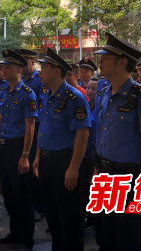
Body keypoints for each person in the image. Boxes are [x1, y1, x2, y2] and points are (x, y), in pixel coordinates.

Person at [94, 32, 141, 250]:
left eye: (105, 57)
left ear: (122, 62)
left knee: (130, 238)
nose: (100, 61)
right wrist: (97, 173)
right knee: (106, 236)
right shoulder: (105, 91)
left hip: (129, 179)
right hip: (105, 175)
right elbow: (102, 136)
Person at [33, 47, 91, 250]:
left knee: (70, 218)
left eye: (44, 68)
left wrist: (74, 168)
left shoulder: (75, 98)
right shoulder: (48, 96)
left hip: (65, 163)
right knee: (53, 216)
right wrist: (39, 156)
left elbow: (82, 134)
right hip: (47, 162)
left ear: (57, 71)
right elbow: (44, 130)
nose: (41, 72)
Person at [0, 49, 38, 251]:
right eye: (3, 67)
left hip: (19, 148)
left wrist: (26, 155)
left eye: (8, 67)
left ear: (19, 69)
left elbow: (30, 127)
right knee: (9, 195)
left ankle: (26, 240)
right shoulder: (3, 91)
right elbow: (0, 119)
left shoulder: (28, 94)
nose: (3, 70)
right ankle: (15, 231)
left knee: (22, 196)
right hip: (4, 147)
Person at [15, 48, 45, 222]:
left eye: (24, 62)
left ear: (33, 62)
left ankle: (38, 207)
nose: (22, 65)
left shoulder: (40, 81)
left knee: (34, 168)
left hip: (35, 130)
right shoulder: (19, 81)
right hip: (21, 132)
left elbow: (42, 106)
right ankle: (26, 204)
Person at [84, 78, 99, 232]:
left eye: (93, 88)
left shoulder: (101, 109)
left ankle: (94, 219)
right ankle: (88, 217)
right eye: (88, 87)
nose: (89, 91)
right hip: (84, 153)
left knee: (93, 189)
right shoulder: (86, 106)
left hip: (94, 155)